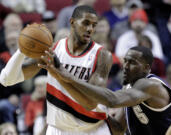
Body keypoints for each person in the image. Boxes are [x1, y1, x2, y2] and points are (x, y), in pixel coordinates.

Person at [0, 5, 113, 135]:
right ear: (72, 22)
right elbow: (6, 79)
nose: (90, 29)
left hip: (92, 129)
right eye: (86, 23)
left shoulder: (102, 55)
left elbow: (90, 103)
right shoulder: (52, 50)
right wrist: (22, 48)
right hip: (58, 129)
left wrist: (61, 74)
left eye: (94, 25)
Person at [52, 46, 171, 135]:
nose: (126, 66)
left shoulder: (151, 85)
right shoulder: (129, 89)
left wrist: (70, 78)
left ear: (147, 68)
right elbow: (118, 129)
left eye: (133, 63)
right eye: (125, 61)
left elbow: (112, 100)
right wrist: (98, 113)